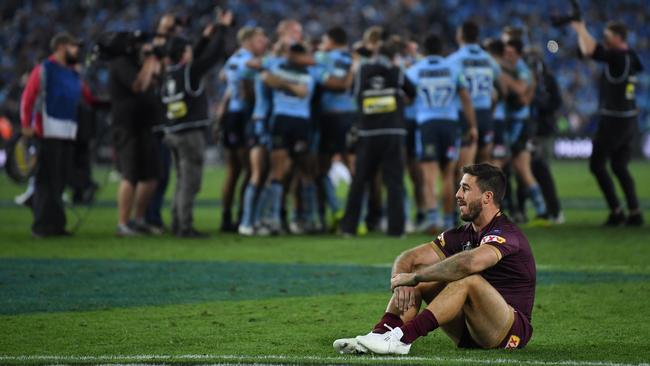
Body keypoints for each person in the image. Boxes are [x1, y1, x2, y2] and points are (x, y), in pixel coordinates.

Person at [333, 163, 535, 354]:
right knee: (420, 273)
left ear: (487, 197)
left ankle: (402, 339)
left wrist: (415, 277)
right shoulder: (461, 234)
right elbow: (409, 258)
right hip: (470, 331)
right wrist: (401, 282)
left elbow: (470, 263)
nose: (457, 195)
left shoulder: (507, 233)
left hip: (509, 331)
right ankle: (379, 335)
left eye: (465, 189)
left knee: (467, 280)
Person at [159, 11, 233, 238]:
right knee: (191, 183)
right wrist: (222, 28)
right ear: (184, 54)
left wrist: (204, 37)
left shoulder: (169, 73)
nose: (192, 52)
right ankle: (185, 226)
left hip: (172, 131)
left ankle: (176, 222)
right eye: (188, 50)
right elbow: (213, 56)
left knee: (181, 181)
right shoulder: (190, 73)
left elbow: (199, 57)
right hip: (189, 133)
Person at [570, 20, 644, 226]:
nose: (604, 39)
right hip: (629, 119)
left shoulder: (618, 59)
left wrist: (580, 28)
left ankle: (617, 211)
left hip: (614, 120)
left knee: (597, 165)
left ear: (618, 38)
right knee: (619, 166)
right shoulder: (631, 57)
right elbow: (588, 51)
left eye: (608, 36)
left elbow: (591, 51)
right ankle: (635, 212)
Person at [20, 32, 93, 237]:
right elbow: (28, 97)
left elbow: (87, 97)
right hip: (46, 131)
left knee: (60, 181)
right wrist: (26, 124)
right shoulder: (45, 69)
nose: (77, 50)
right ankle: (42, 226)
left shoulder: (72, 73)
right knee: (46, 180)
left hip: (67, 132)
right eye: (73, 46)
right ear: (61, 47)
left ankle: (57, 225)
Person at [340, 41, 416, 237]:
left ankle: (349, 227)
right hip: (393, 132)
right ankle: (396, 229)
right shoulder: (397, 71)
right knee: (394, 182)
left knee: (359, 181)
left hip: (367, 133)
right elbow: (412, 93)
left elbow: (355, 96)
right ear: (393, 56)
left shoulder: (363, 70)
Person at [406, 33, 477, 233]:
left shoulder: (414, 71)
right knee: (448, 175)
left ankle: (432, 218)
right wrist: (472, 125)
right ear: (442, 50)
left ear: (424, 50)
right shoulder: (453, 69)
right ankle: (448, 220)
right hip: (450, 124)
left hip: (427, 125)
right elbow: (466, 99)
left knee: (429, 175)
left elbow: (408, 100)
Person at [258, 43, 318, 234]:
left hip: (301, 123)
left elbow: (304, 92)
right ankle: (272, 219)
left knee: (304, 171)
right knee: (278, 170)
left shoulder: (309, 73)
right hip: (281, 121)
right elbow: (266, 78)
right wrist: (291, 85)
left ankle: (306, 219)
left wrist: (282, 82)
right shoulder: (276, 67)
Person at [109, 37, 163, 237]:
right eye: (144, 45)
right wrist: (150, 62)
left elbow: (154, 81)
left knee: (151, 175)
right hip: (127, 126)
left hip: (145, 125)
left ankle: (138, 220)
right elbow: (138, 86)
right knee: (130, 175)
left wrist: (154, 64)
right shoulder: (121, 63)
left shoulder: (140, 64)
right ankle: (122, 223)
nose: (147, 49)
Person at [220, 26, 268, 232]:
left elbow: (224, 77)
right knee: (247, 169)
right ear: (248, 41)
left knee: (235, 170)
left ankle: (228, 216)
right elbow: (252, 65)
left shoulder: (233, 58)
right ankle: (241, 216)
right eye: (260, 40)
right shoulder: (244, 58)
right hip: (240, 117)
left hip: (233, 115)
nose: (264, 43)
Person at [501, 38, 548, 223]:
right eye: (505, 52)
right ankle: (536, 210)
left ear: (518, 54)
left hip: (519, 124)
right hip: (514, 122)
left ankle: (540, 210)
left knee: (517, 167)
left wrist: (501, 77)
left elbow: (521, 93)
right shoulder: (514, 68)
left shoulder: (521, 69)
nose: (507, 55)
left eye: (510, 53)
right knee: (516, 168)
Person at [450, 21, 501, 165]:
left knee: (465, 166)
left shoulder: (455, 60)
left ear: (460, 36)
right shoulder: (488, 59)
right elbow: (497, 83)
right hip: (485, 113)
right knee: (485, 162)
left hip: (465, 114)